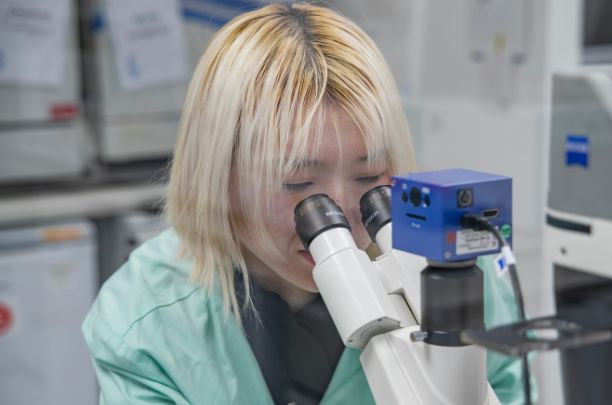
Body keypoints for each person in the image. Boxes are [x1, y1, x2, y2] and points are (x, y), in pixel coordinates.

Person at [82, 3, 530, 404]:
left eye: (370, 177)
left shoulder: (454, 279)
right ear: (221, 178)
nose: (342, 214)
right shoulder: (147, 316)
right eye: (297, 182)